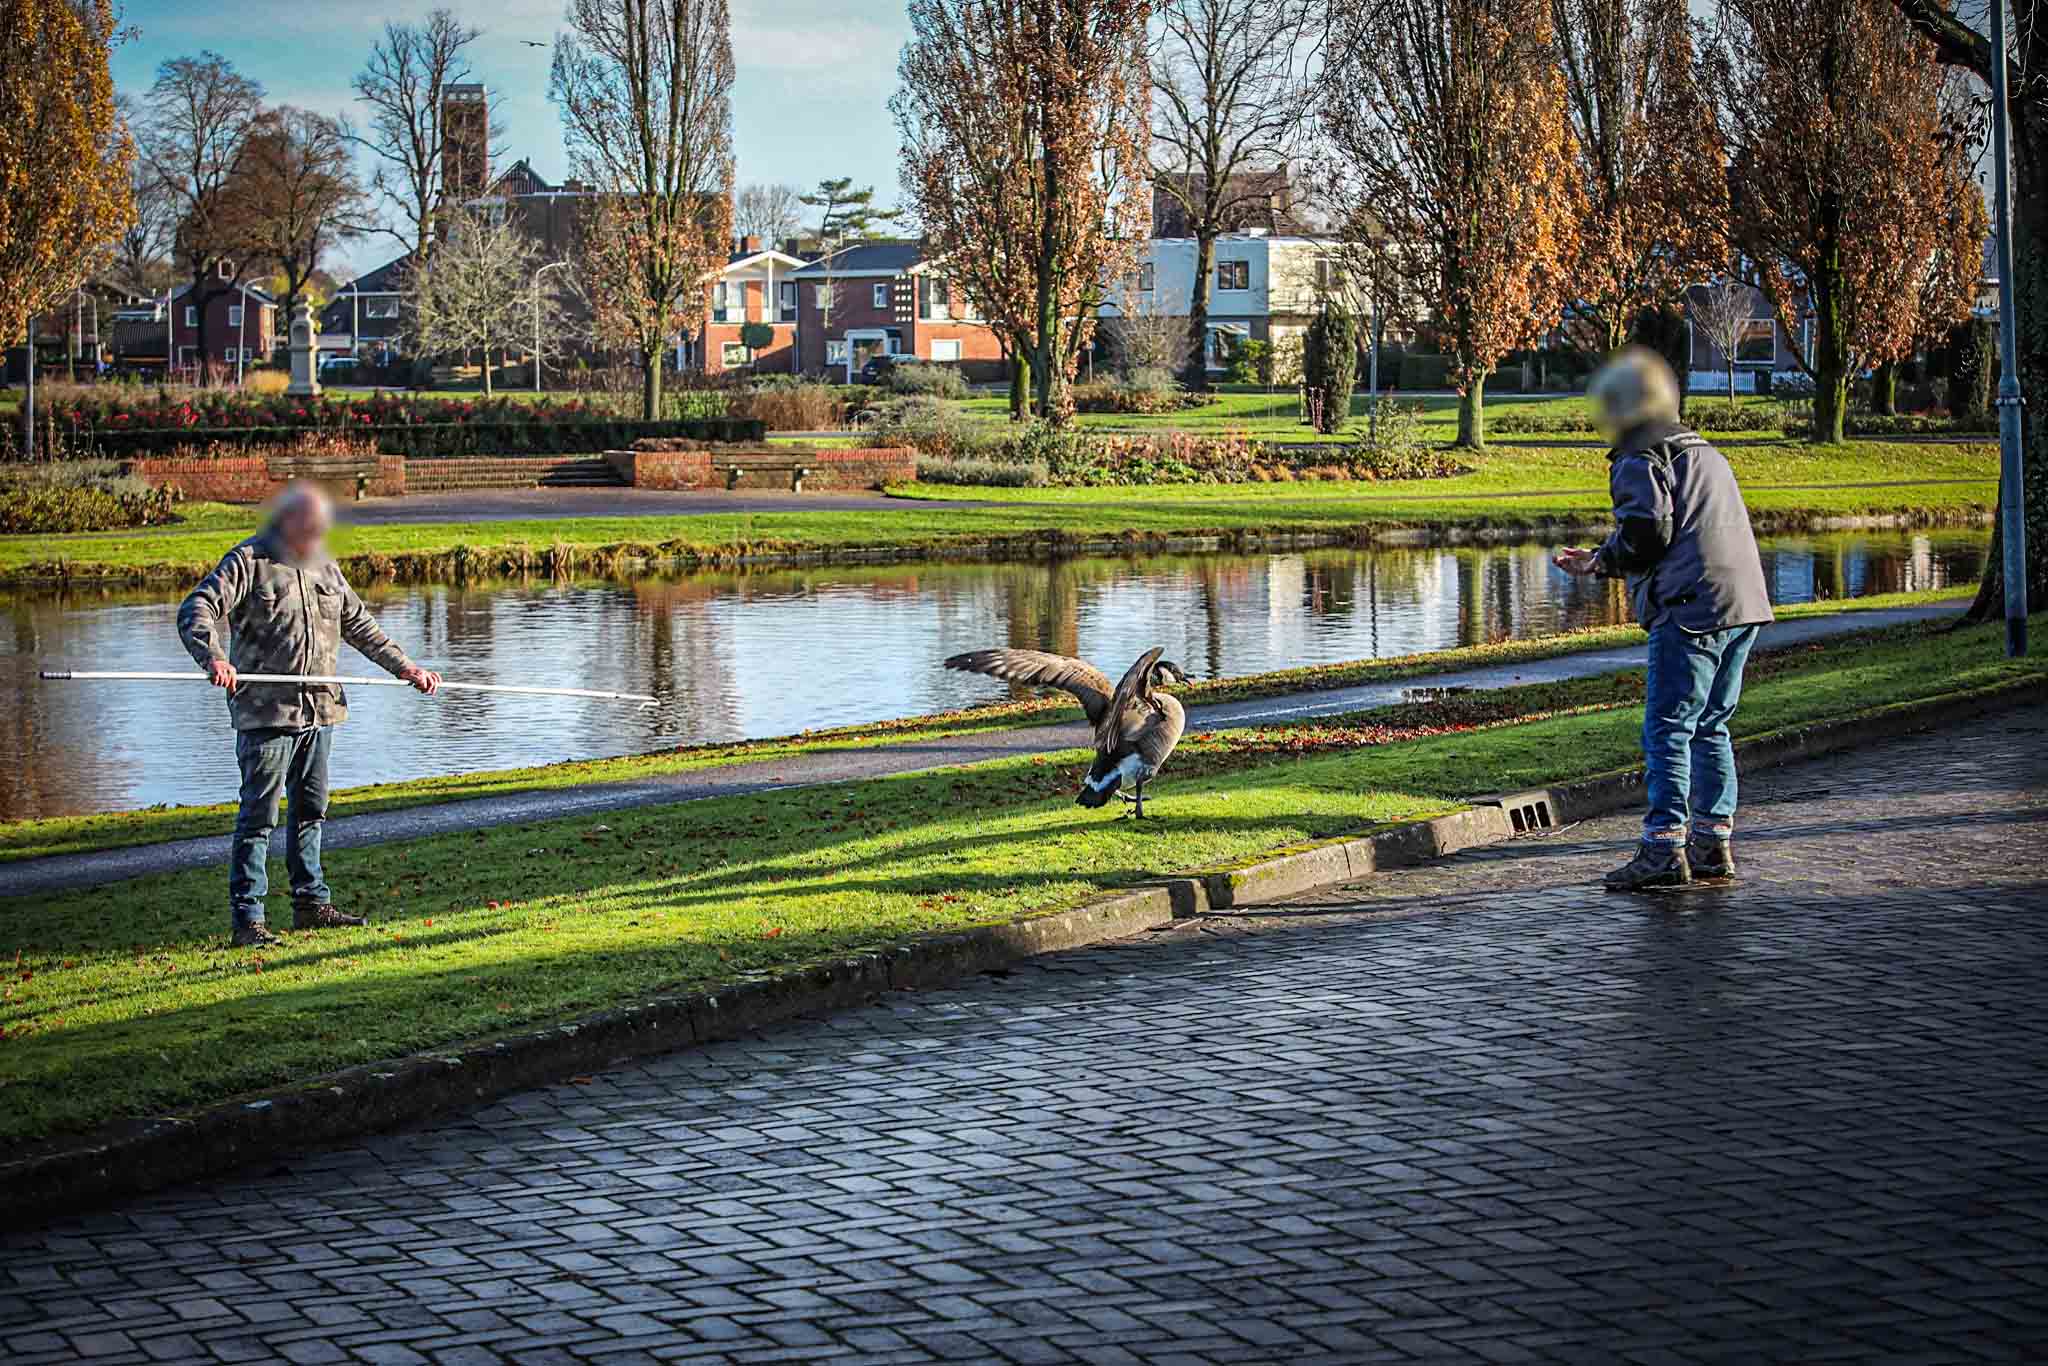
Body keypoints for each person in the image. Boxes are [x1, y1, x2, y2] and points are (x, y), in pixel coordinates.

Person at [178, 482, 441, 946]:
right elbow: (197, 607)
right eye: (311, 524)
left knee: (311, 812)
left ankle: (311, 905)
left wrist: (407, 668)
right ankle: (248, 921)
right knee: (259, 817)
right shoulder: (248, 562)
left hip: (320, 710)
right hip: (267, 714)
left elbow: (360, 625)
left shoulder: (325, 566)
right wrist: (215, 657)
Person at [1552, 348, 1774, 891]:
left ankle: (1663, 847)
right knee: (1711, 724)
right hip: (1741, 603)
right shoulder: (1701, 450)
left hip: (1689, 606)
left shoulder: (1640, 455)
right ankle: (1712, 840)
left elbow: (1649, 531)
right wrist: (1604, 558)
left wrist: (1601, 560)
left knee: (1669, 728)